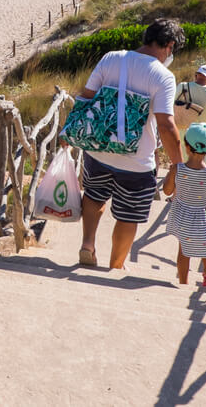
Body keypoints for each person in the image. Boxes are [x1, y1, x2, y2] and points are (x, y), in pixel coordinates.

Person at [77, 19, 185, 269]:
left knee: (93, 196)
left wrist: (70, 133)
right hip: (136, 161)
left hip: (98, 149)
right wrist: (178, 165)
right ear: (169, 45)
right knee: (128, 216)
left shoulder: (111, 57)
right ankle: (115, 266)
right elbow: (167, 127)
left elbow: (87, 97)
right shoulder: (163, 76)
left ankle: (88, 245)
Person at [162, 123, 206, 286]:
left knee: (184, 251)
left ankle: (183, 283)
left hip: (182, 216)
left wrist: (170, 175)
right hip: (205, 217)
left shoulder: (177, 169)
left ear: (186, 146)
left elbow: (167, 191)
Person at [176, 64, 206, 148]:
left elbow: (170, 108)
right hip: (202, 138)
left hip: (182, 136)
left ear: (196, 75)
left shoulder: (182, 87)